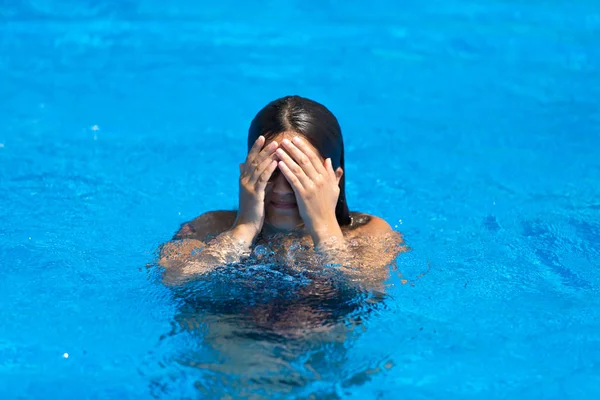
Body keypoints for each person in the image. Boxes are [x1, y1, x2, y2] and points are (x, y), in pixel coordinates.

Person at [159, 95, 406, 286]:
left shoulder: (368, 234)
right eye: (271, 170)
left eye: (299, 172)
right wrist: (244, 228)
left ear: (335, 178)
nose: (282, 188)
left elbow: (368, 288)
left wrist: (323, 226)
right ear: (247, 172)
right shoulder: (209, 228)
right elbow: (174, 279)